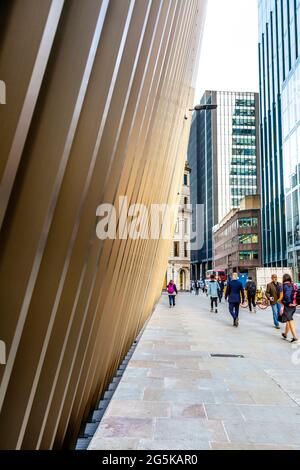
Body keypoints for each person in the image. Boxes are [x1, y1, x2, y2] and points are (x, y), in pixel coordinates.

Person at [278, 274, 298, 342]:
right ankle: (285, 334)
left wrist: (280, 301)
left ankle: (295, 337)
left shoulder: (283, 286)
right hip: (294, 305)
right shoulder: (293, 285)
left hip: (288, 306)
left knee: (290, 321)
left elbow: (283, 297)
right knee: (288, 320)